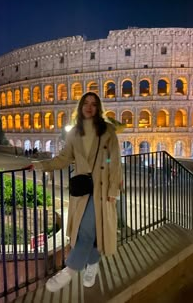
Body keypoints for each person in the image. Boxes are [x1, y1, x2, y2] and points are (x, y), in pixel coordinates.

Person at [28, 92, 122, 292]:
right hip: (82, 188)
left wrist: (113, 189)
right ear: (80, 107)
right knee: (87, 230)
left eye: (94, 104)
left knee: (86, 231)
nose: (89, 107)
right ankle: (93, 264)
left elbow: (114, 162)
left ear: (98, 108)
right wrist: (39, 166)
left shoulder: (108, 131)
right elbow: (63, 159)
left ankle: (69, 271)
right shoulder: (73, 134)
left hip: (102, 188)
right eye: (86, 103)